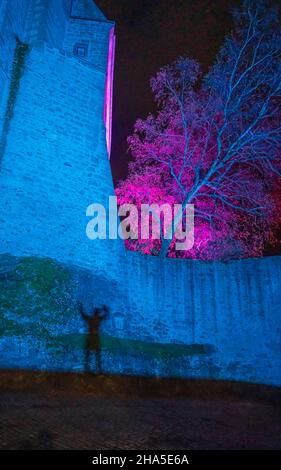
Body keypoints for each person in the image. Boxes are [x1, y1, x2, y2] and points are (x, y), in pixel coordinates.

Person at [78, 302, 109, 374]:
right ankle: (96, 369)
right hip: (94, 337)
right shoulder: (97, 318)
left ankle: (89, 368)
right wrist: (105, 309)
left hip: (91, 337)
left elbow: (82, 313)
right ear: (97, 313)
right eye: (97, 313)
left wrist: (80, 307)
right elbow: (106, 314)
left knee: (90, 353)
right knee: (95, 353)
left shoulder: (91, 318)